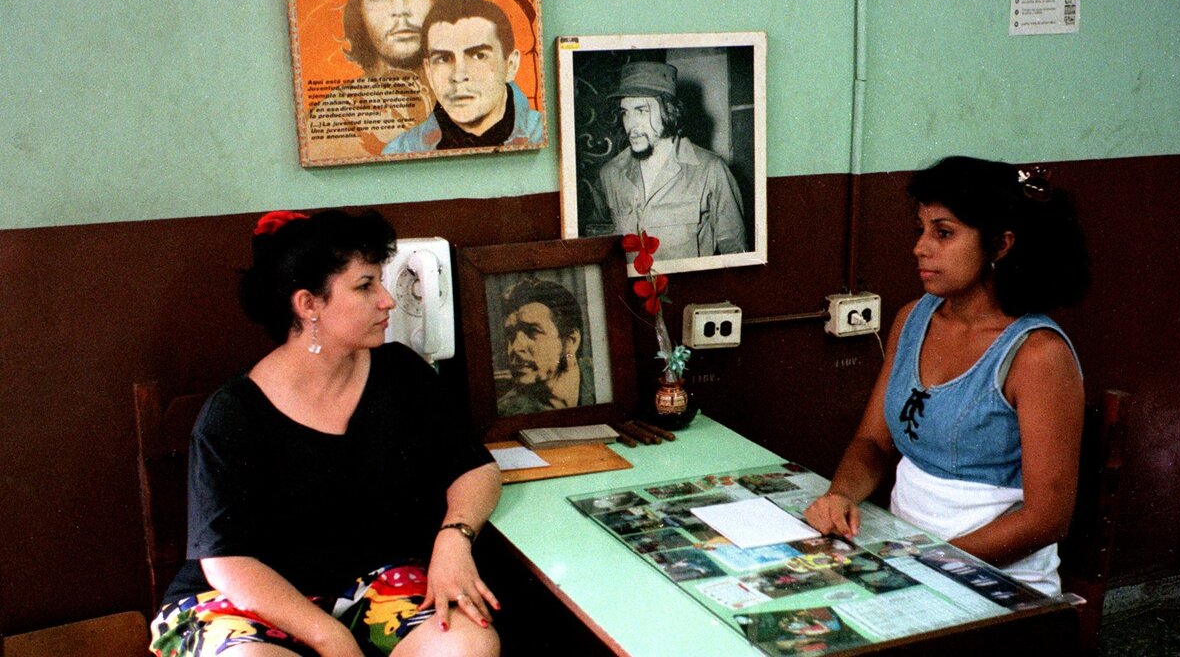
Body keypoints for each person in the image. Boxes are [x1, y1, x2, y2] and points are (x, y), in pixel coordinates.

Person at [148, 209, 501, 657]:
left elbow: (476, 469)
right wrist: (329, 636)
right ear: (308, 304)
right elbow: (225, 561)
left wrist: (455, 538)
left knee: (467, 642)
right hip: (251, 601)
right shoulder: (232, 414)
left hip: (373, 586)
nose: (387, 300)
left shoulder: (401, 374)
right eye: (365, 286)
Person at [804, 156, 1090, 596]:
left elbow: (1047, 519)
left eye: (943, 232)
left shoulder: (1037, 355)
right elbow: (873, 442)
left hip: (995, 578)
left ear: (1000, 244)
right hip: (910, 558)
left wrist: (932, 563)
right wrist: (841, 495)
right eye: (920, 229)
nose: (921, 247)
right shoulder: (912, 319)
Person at [306, 0, 456, 160]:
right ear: (359, 14)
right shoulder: (333, 116)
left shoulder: (487, 95)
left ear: (440, 3)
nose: (399, 9)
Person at [597, 61, 746, 259]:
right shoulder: (610, 174)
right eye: (626, 112)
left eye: (641, 111)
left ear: (668, 111)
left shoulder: (710, 170)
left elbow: (735, 252)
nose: (630, 125)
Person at [382, 0, 543, 155]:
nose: (458, 76)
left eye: (479, 56)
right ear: (428, 71)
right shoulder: (401, 150)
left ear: (511, 65)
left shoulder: (540, 134)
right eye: (443, 58)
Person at [495, 278, 593, 417]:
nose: (515, 347)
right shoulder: (506, 413)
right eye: (510, 334)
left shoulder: (605, 382)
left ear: (571, 341)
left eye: (532, 331)